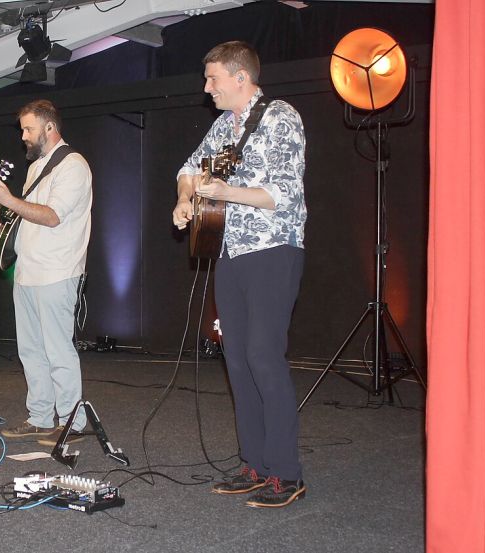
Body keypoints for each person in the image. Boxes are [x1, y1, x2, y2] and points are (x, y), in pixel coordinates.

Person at [172, 41, 308, 508]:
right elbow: (188, 168)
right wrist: (184, 197)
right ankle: (255, 464)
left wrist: (227, 191)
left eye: (213, 79)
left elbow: (281, 194)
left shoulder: (280, 118)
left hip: (273, 250)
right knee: (236, 360)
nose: (206, 87)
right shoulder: (221, 127)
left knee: (264, 356)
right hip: (229, 251)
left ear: (240, 77)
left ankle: (286, 473)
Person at [0, 99, 92, 446]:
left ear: (49, 127)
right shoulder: (35, 168)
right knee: (31, 351)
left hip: (57, 272)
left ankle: (73, 424)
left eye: (28, 129)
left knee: (58, 350)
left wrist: (10, 201)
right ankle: (41, 418)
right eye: (22, 130)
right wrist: (4, 227)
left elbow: (51, 215)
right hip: (27, 272)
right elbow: (30, 217)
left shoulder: (73, 165)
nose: (23, 137)